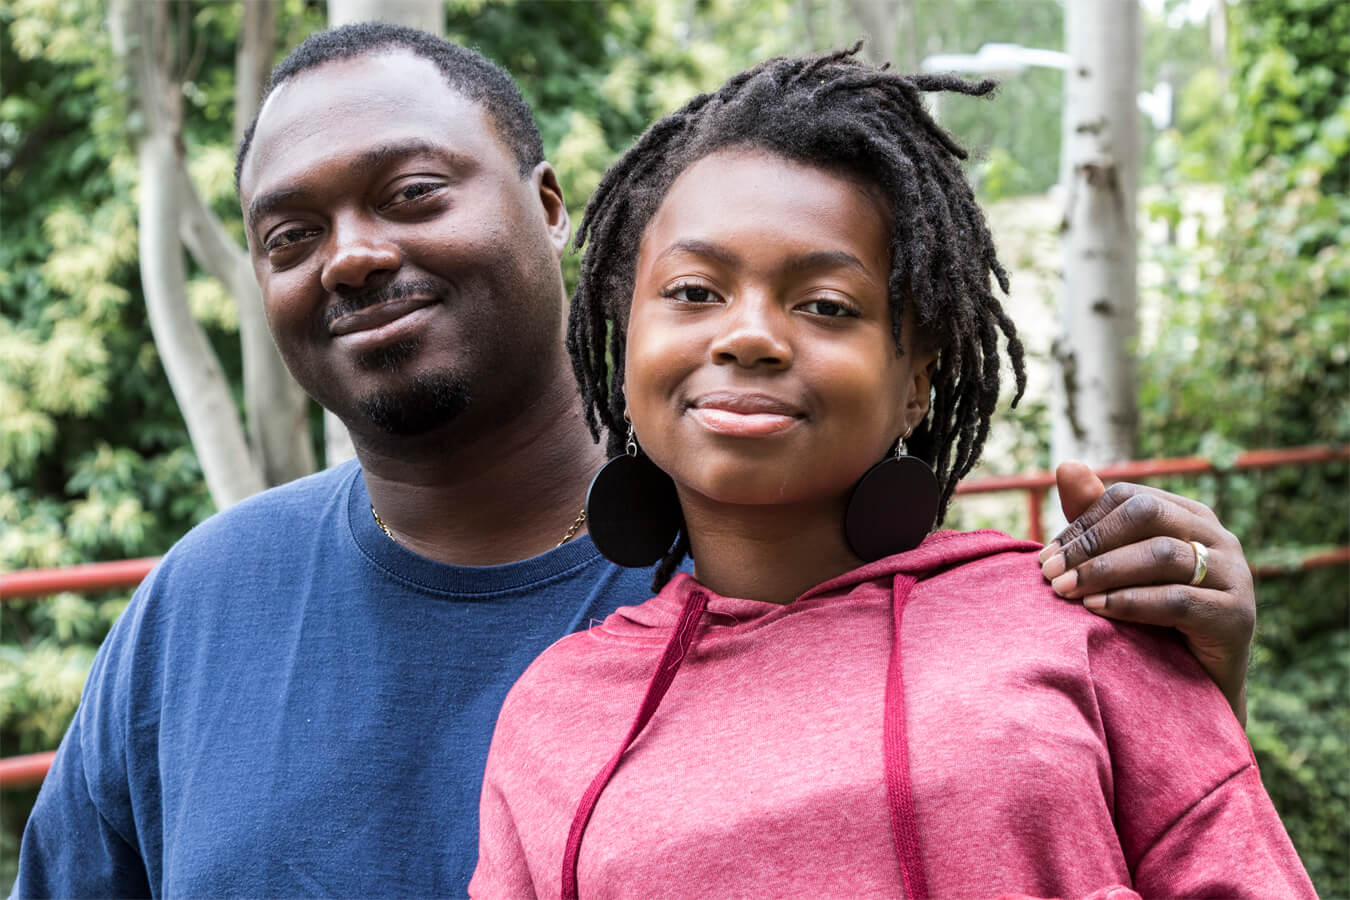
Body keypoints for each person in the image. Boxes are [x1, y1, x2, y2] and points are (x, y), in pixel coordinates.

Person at [14, 25, 1258, 899]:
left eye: (412, 190)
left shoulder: (780, 544)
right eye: (291, 233)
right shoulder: (199, 603)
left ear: (554, 210)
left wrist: (1163, 695)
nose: (349, 254)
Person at [470, 49, 1312, 898]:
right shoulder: (555, 717)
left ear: (916, 381)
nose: (749, 335)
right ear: (626, 343)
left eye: (827, 306)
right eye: (693, 292)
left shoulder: (1084, 628)